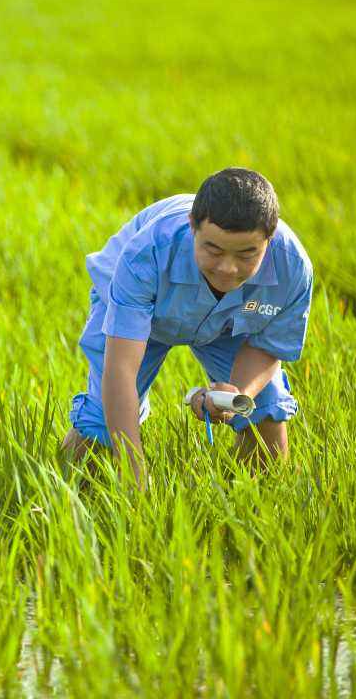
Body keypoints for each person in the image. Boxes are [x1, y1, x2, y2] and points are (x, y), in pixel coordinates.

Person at [62, 168, 313, 485]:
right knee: (102, 423)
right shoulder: (147, 252)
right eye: (214, 249)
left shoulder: (293, 267)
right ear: (193, 226)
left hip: (227, 323)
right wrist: (134, 470)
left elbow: (268, 345)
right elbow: (121, 369)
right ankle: (60, 493)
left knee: (265, 408)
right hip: (146, 313)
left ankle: (251, 502)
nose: (227, 268)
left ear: (270, 237)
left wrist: (236, 394)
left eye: (247, 253)